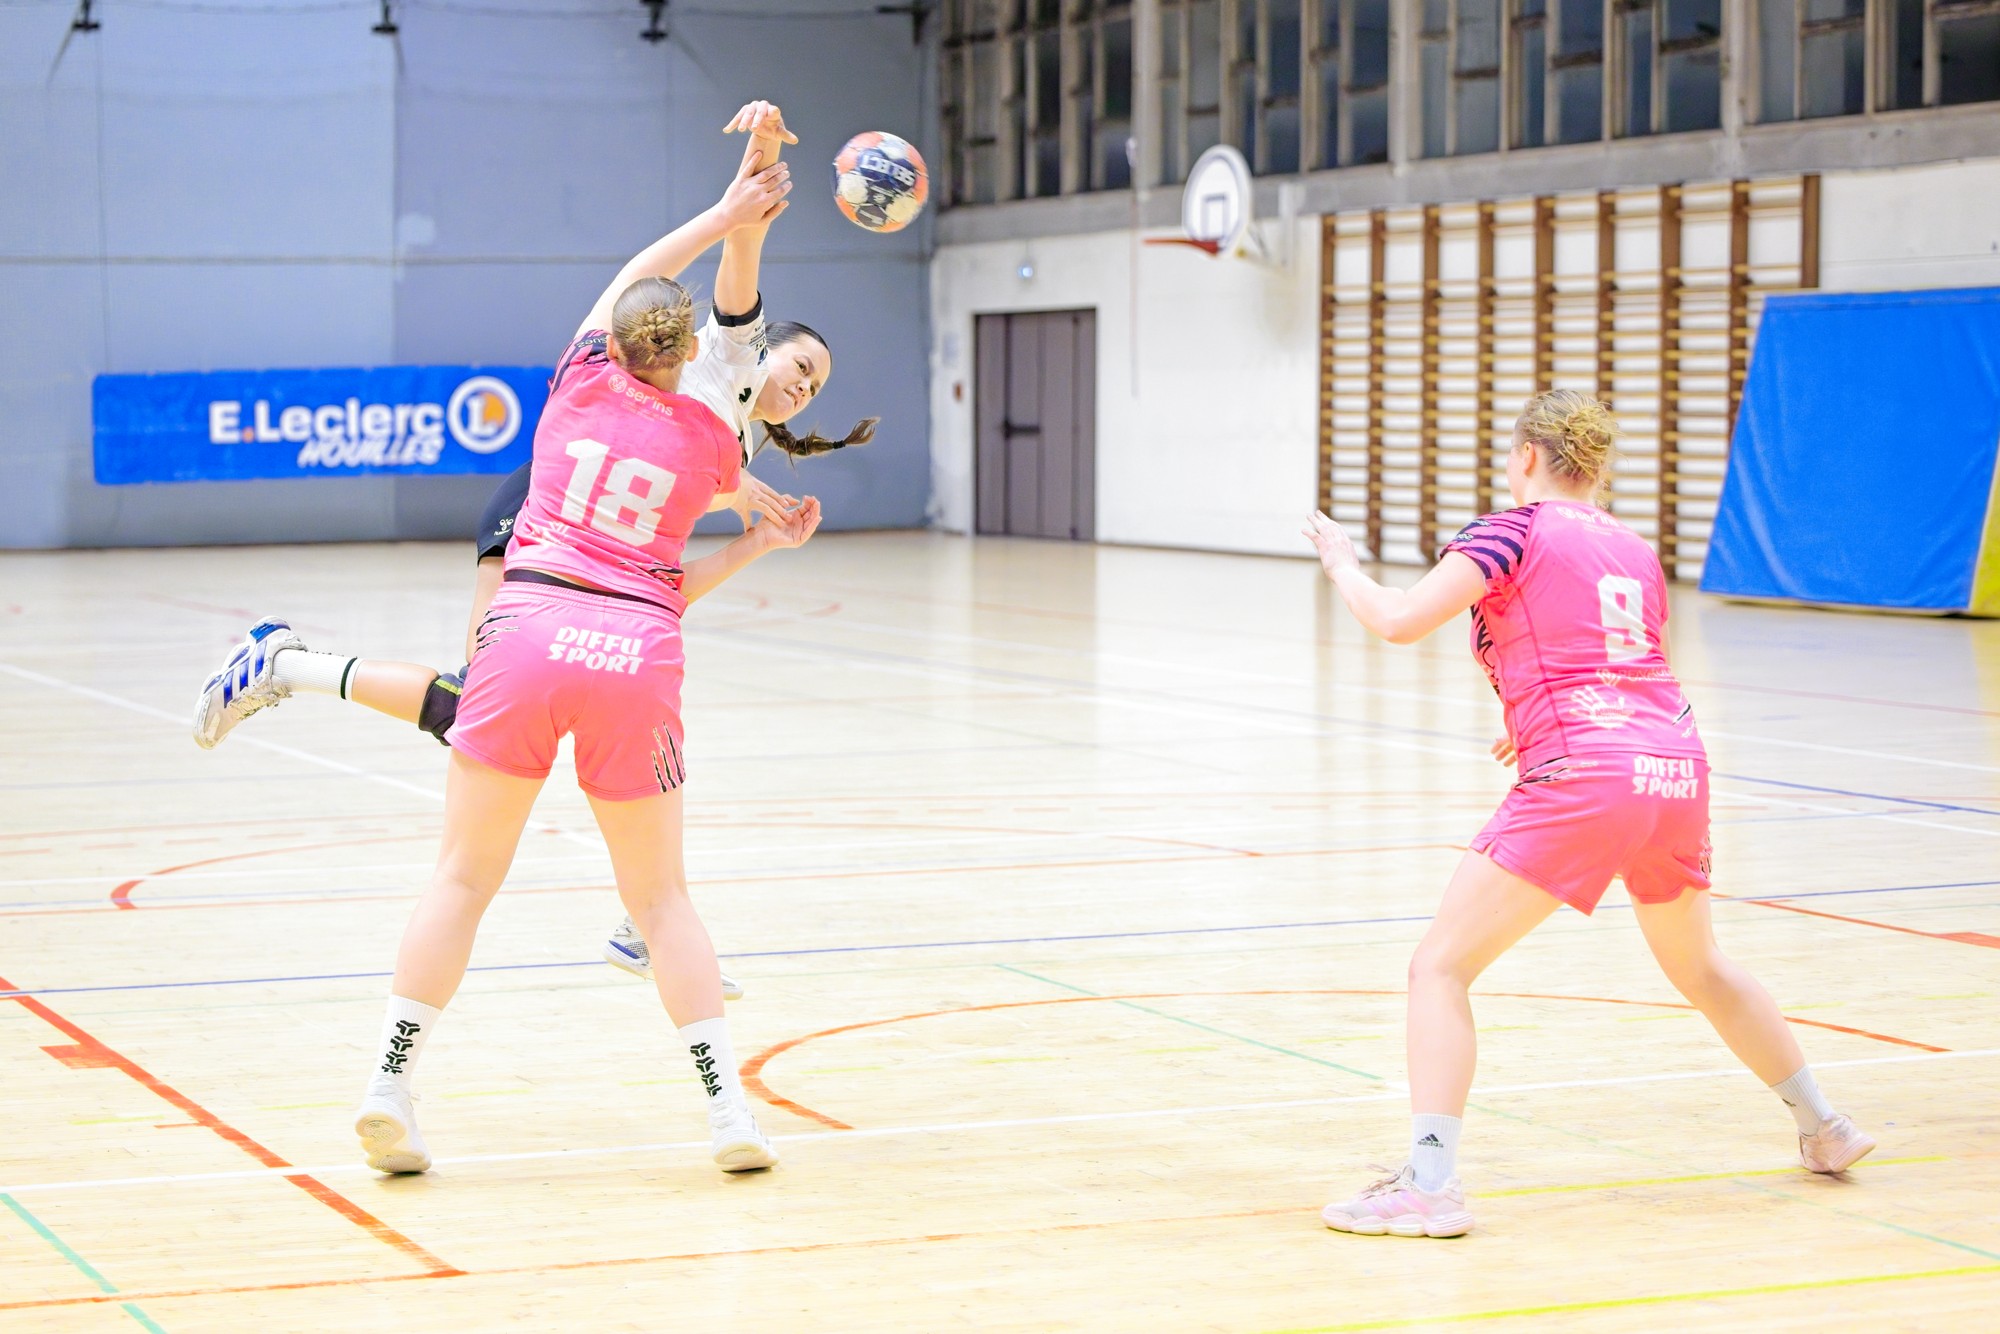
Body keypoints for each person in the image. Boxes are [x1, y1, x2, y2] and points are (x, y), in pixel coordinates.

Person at [191, 102, 874, 998]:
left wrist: (754, 536)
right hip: (542, 519)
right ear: (759, 343)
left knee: (526, 710)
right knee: (475, 707)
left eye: (817, 388)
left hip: (592, 558)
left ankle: (645, 913)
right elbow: (742, 250)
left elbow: (656, 589)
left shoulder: (733, 444)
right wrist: (757, 163)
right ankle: (283, 663)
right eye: (802, 366)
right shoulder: (729, 358)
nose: (804, 388)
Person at [1303, 389, 1874, 1239]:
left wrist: (1343, 564)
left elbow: (1397, 621)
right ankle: (1824, 1125)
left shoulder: (1510, 530)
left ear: (1528, 457)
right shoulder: (1635, 549)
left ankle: (1429, 1185)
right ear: (1597, 467)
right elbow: (1628, 666)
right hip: (1674, 766)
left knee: (1439, 969)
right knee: (1702, 965)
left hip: (1586, 774)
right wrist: (1528, 721)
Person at [350, 224, 826, 1173]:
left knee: (462, 880)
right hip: (632, 655)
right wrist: (758, 539)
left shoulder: (574, 383)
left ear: (611, 341)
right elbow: (675, 578)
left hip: (528, 635)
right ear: (688, 352)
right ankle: (729, 1114)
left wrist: (728, 210)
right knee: (660, 902)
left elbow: (637, 276)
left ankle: (388, 1086)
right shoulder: (713, 445)